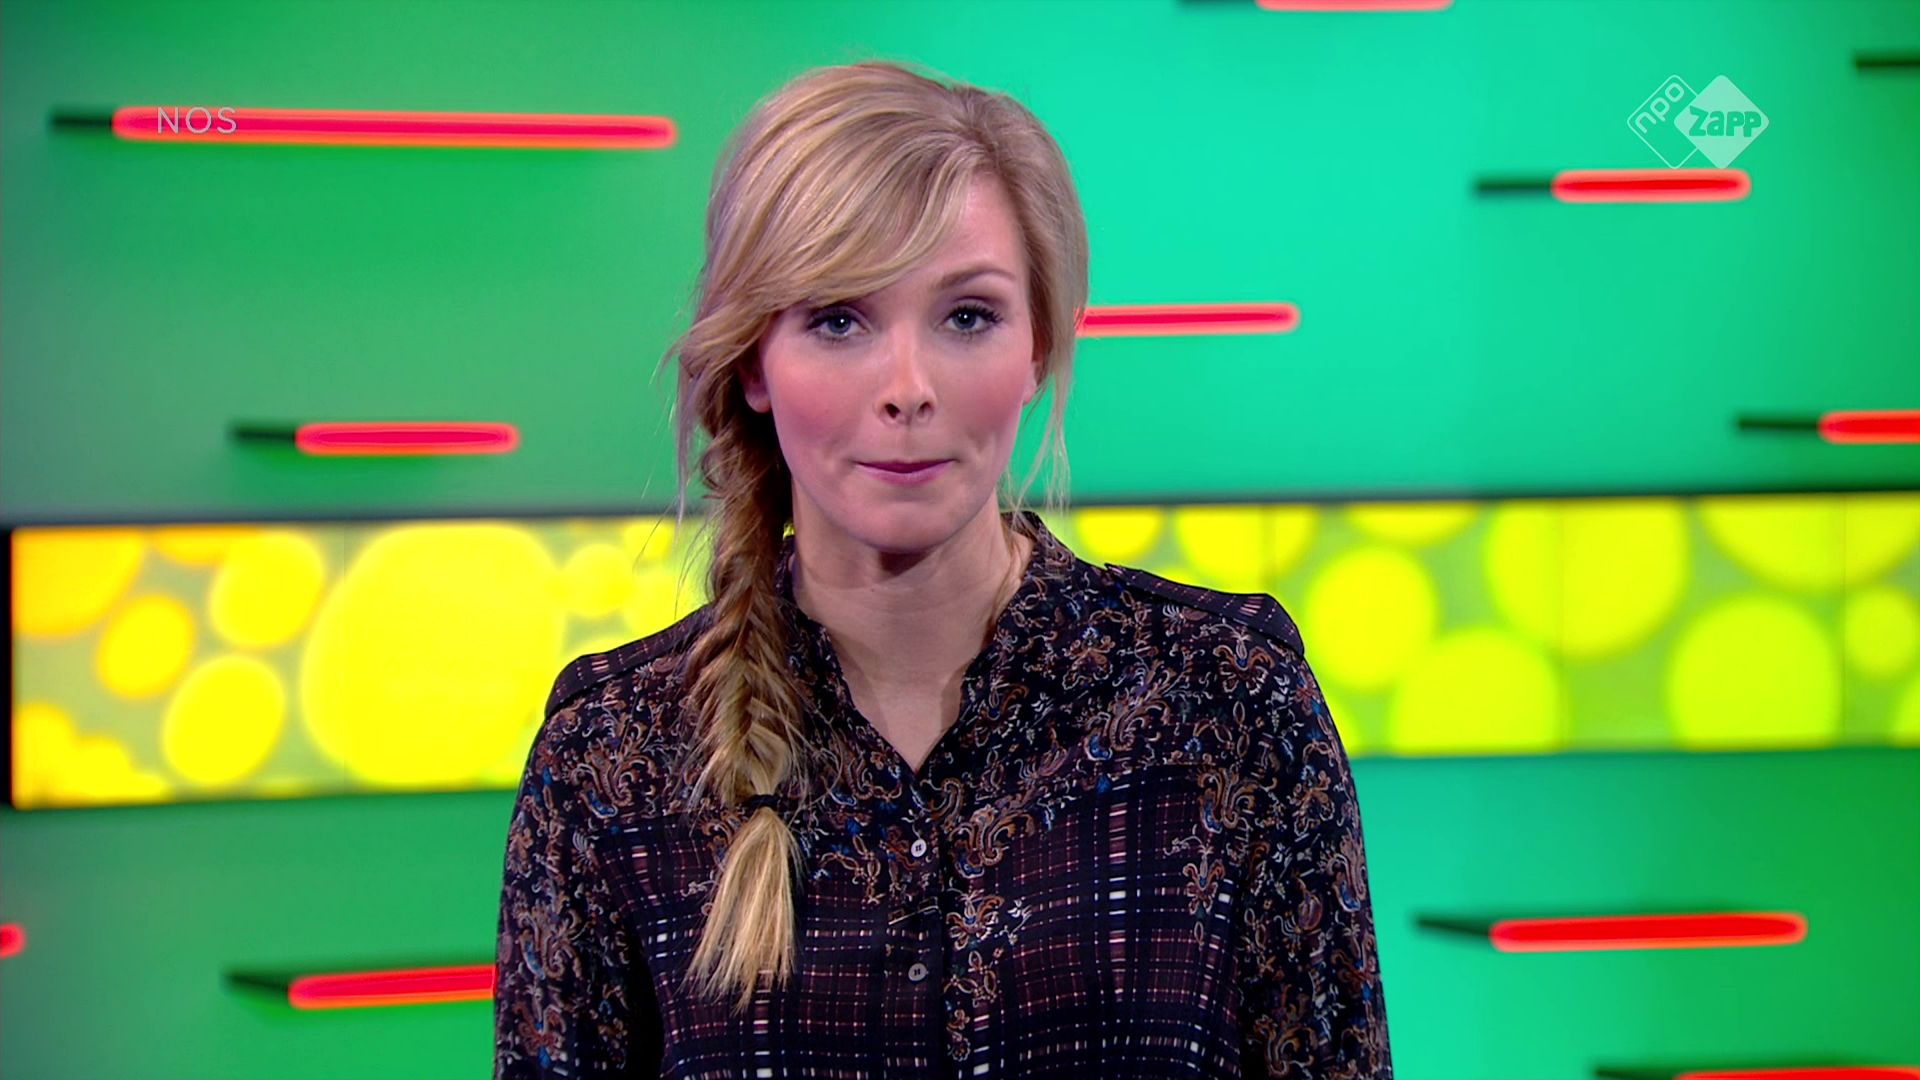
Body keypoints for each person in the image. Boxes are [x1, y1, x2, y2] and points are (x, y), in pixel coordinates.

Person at [494, 58, 1392, 1078]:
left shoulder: (1229, 704)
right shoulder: (610, 761)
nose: (908, 388)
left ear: (1039, 346)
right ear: (752, 361)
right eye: (838, 319)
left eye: (967, 316)